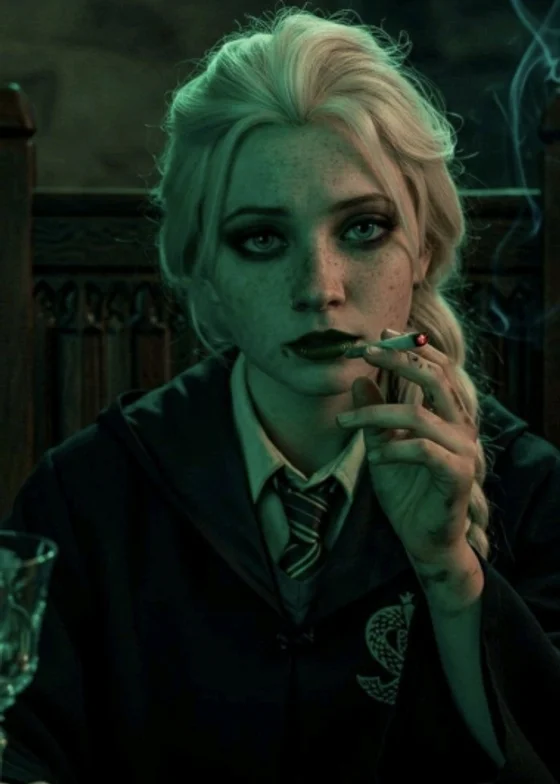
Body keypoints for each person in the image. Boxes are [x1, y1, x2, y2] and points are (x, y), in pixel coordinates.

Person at [1, 6, 559, 783]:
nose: (318, 288)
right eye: (262, 238)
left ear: (424, 249)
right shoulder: (86, 497)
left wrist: (450, 574)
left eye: (362, 229)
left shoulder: (529, 490)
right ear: (203, 272)